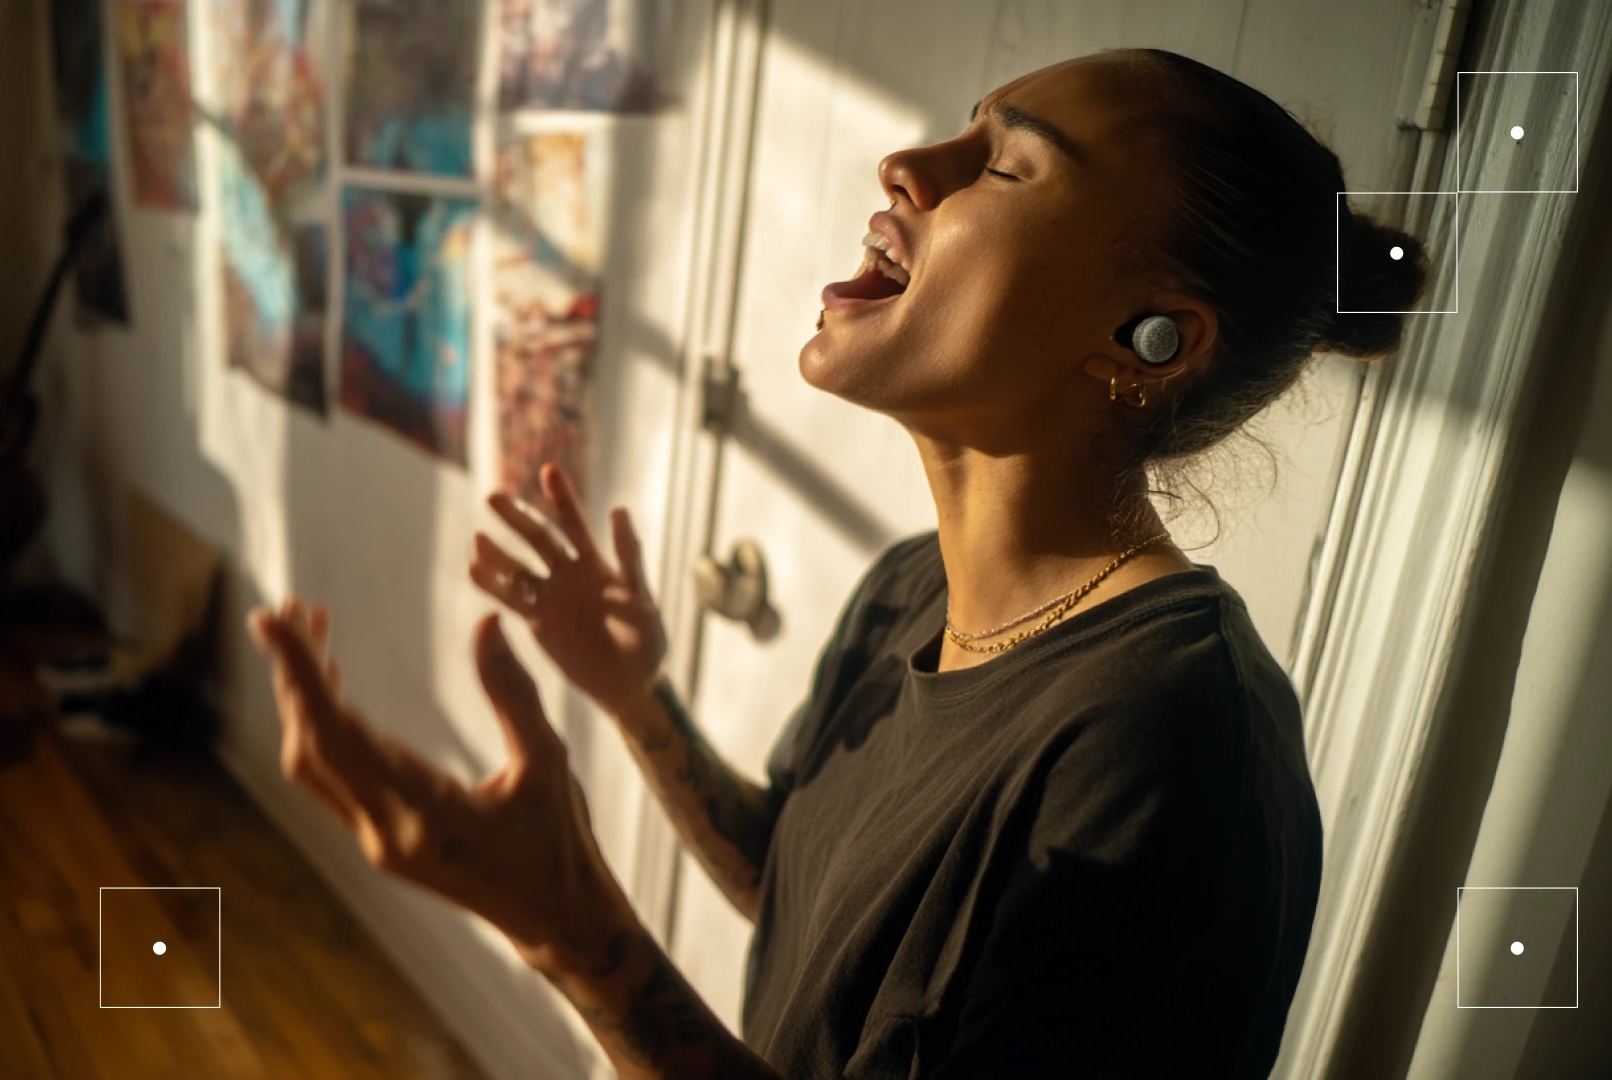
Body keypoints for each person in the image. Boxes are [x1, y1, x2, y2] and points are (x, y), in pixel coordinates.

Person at [246, 46, 1431, 1079]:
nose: (907, 165)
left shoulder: (1173, 755)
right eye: (964, 128)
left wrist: (574, 932)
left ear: (1148, 340)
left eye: (1007, 165)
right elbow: (796, 890)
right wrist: (638, 703)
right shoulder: (914, 585)